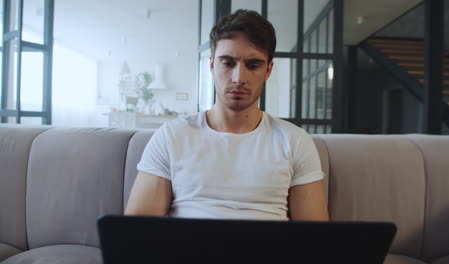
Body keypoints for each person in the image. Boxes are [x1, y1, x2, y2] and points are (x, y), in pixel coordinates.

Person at [125, 9, 329, 221]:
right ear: (212, 64)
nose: (238, 77)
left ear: (268, 70)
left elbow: (313, 238)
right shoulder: (171, 136)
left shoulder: (294, 141)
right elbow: (137, 231)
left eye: (253, 65)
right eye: (228, 63)